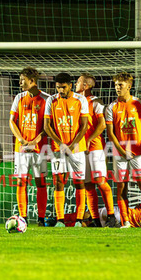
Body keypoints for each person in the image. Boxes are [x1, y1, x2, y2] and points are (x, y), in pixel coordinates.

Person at [105, 72, 141, 229]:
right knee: (121, 187)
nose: (117, 88)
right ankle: (125, 221)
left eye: (120, 85)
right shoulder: (111, 107)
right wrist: (121, 151)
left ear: (129, 86)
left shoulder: (139, 103)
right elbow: (110, 133)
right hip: (119, 154)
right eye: (116, 85)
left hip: (137, 153)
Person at [43, 72, 89, 228]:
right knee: (58, 182)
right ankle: (60, 220)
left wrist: (73, 144)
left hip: (77, 149)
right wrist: (60, 143)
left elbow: (84, 126)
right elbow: (47, 126)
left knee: (79, 182)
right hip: (58, 149)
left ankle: (79, 220)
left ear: (70, 85)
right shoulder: (51, 100)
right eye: (58, 88)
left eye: (63, 87)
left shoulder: (81, 100)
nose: (60, 90)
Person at [9, 67, 51, 226]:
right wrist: (21, 139)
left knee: (40, 182)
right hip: (21, 149)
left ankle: (41, 218)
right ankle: (23, 218)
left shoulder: (47, 99)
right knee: (21, 182)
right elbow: (11, 121)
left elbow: (48, 126)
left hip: (40, 149)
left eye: (22, 80)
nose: (20, 83)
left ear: (32, 81)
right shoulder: (19, 98)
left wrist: (35, 141)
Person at [75, 73, 115, 227]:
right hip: (80, 148)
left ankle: (111, 215)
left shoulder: (96, 102)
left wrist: (89, 139)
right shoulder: (75, 102)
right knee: (88, 184)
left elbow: (102, 124)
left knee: (99, 180)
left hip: (95, 147)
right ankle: (95, 219)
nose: (76, 84)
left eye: (78, 82)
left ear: (85, 86)